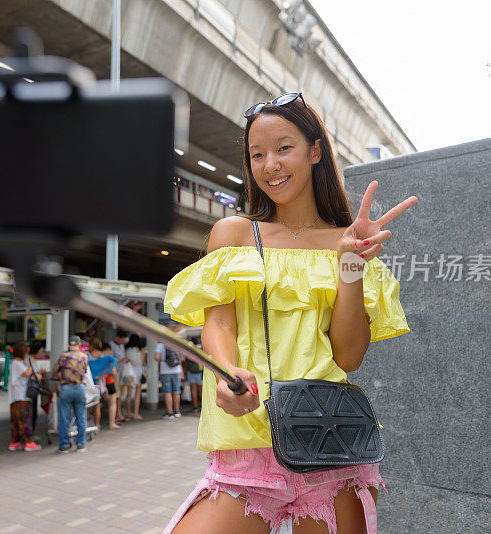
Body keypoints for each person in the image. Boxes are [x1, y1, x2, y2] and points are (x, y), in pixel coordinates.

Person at [162, 92, 416, 534]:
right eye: (257, 155)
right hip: (248, 444)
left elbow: (349, 357)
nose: (270, 166)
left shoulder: (347, 242)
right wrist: (228, 374)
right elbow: (219, 323)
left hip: (329, 445)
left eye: (283, 148)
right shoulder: (234, 233)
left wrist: (351, 267)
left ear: (315, 151)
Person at [53, 335, 90, 453]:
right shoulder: (84, 357)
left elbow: (56, 372)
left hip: (66, 388)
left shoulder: (64, 357)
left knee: (64, 418)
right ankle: (81, 443)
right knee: (81, 418)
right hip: (80, 388)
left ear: (69, 345)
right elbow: (85, 371)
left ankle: (64, 444)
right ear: (79, 345)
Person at [7, 341, 41, 452]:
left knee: (16, 421)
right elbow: (27, 373)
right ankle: (29, 443)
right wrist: (31, 363)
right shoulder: (17, 364)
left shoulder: (15, 363)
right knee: (25, 420)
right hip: (21, 396)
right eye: (25, 351)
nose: (27, 354)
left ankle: (15, 442)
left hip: (14, 397)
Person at [155, 323, 185, 420]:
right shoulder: (176, 342)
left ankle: (170, 413)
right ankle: (177, 412)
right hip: (177, 370)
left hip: (165, 371)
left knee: (167, 392)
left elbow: (156, 357)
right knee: (176, 391)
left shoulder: (161, 344)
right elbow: (183, 356)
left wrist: (162, 361)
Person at [123, 334, 146, 420]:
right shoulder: (141, 350)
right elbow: (143, 362)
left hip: (129, 372)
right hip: (138, 371)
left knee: (128, 394)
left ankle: (129, 413)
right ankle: (136, 413)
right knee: (137, 394)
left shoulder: (127, 349)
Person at [26, 340, 47, 431]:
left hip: (33, 388)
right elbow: (28, 374)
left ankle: (31, 433)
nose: (41, 354)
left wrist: (38, 373)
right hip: (29, 389)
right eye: (40, 352)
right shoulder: (29, 360)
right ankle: (30, 434)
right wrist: (37, 374)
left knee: (33, 412)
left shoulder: (32, 360)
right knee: (31, 412)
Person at [109, 331, 129, 422]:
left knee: (120, 394)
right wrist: (121, 359)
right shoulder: (111, 345)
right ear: (118, 337)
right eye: (122, 340)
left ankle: (119, 414)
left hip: (121, 372)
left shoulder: (121, 345)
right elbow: (110, 358)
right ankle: (116, 416)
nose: (123, 342)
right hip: (114, 373)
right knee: (116, 395)